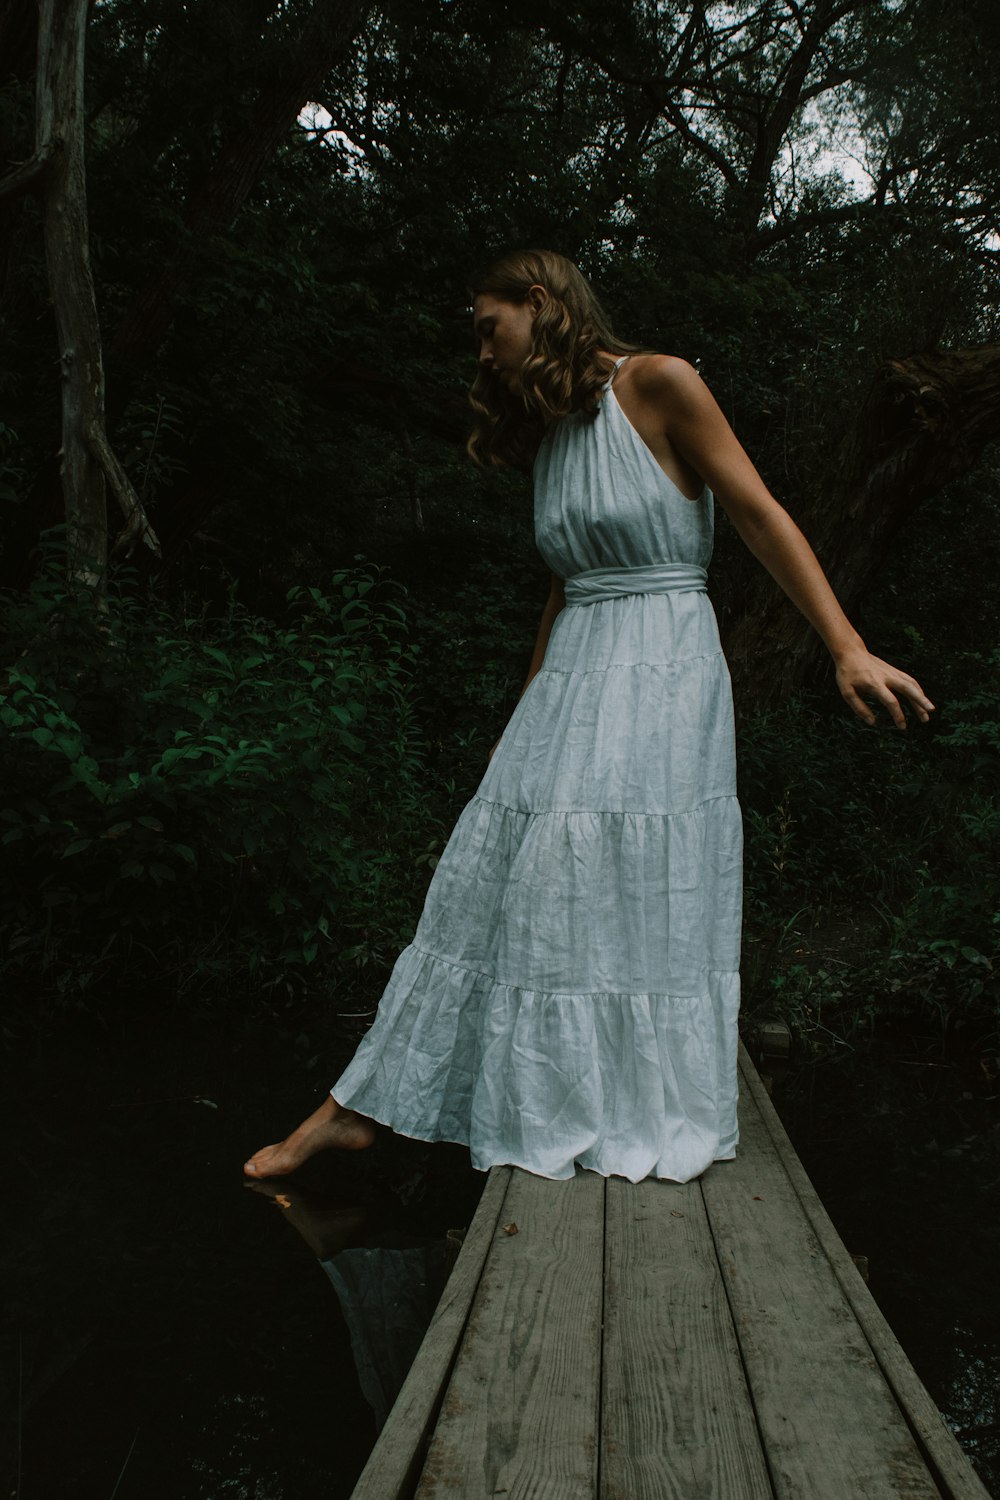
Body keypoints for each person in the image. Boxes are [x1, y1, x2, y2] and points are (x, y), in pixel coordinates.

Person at [244, 248, 934, 1185]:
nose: (482, 352)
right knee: (497, 881)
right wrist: (526, 709)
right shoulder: (556, 431)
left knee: (608, 869)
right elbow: (564, 588)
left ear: (540, 303)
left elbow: (760, 514)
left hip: (662, 663)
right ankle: (360, 1107)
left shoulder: (660, 384)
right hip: (573, 674)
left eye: (490, 327)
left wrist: (846, 645)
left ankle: (595, 1100)